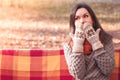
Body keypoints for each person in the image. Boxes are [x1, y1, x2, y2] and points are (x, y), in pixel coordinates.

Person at [63, 3, 115, 80]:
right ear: (73, 24)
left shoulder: (105, 39)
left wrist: (96, 43)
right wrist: (77, 45)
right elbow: (78, 75)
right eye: (77, 18)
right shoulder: (69, 44)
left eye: (85, 16)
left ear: (92, 20)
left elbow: (108, 70)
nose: (82, 21)